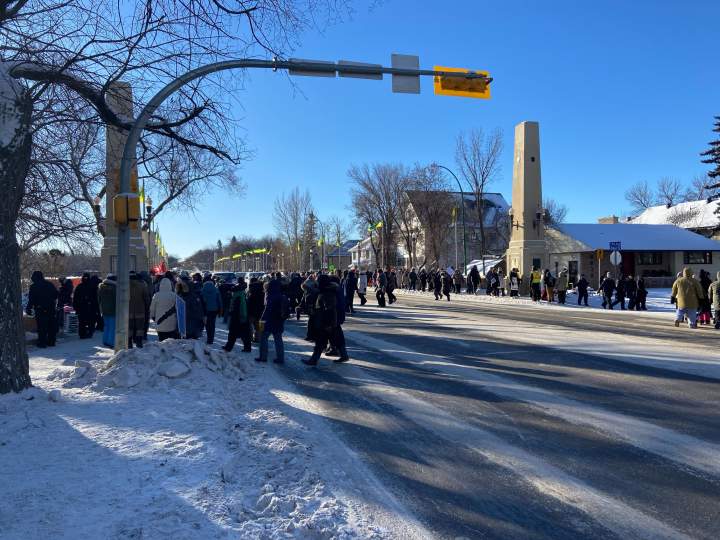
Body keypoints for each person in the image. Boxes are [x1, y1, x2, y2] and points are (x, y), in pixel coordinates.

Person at [302, 274, 348, 365]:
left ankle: (313, 360)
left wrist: (329, 324)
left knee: (320, 342)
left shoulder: (327, 293)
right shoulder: (326, 291)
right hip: (330, 322)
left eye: (318, 281)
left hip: (327, 322)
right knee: (337, 339)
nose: (317, 283)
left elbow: (330, 309)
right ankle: (344, 355)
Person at [256, 279, 287, 364]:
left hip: (269, 321)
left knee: (263, 338)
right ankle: (280, 358)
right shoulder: (282, 296)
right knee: (278, 340)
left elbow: (267, 310)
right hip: (279, 321)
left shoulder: (270, 296)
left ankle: (263, 357)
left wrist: (261, 320)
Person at [26, 270, 59, 348]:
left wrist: (29, 308)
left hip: (40, 308)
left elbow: (31, 299)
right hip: (51, 308)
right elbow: (56, 294)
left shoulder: (33, 287)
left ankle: (42, 342)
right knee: (51, 325)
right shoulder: (49, 284)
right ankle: (51, 341)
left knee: (41, 326)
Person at [223, 280, 252, 352]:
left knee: (233, 333)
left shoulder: (237, 296)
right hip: (242, 317)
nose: (231, 292)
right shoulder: (242, 294)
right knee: (245, 333)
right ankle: (247, 348)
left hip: (238, 317)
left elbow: (239, 308)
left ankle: (228, 347)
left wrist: (233, 314)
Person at [149, 277, 179, 341]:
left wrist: (154, 318)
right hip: (172, 323)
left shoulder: (156, 295)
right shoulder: (174, 295)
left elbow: (152, 309)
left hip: (160, 322)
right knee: (171, 341)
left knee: (161, 340)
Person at [127, 271, 150, 348]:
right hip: (140, 310)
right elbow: (146, 298)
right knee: (139, 327)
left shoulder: (125, 286)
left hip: (128, 311)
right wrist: (147, 307)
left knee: (129, 327)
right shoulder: (142, 285)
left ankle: (129, 342)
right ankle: (139, 342)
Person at [200, 275, 222, 344]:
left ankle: (208, 337)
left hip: (206, 310)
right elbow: (219, 301)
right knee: (212, 324)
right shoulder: (216, 290)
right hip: (214, 310)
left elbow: (201, 301)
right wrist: (220, 310)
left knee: (207, 324)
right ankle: (211, 339)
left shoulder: (202, 290)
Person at [97, 274, 117, 347]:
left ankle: (105, 340)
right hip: (113, 310)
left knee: (106, 326)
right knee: (112, 327)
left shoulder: (101, 287)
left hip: (104, 310)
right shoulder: (114, 288)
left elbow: (98, 299)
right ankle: (111, 342)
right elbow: (116, 300)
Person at [246, 277, 265, 342]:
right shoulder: (263, 291)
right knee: (260, 325)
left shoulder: (251, 291)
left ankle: (250, 337)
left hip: (252, 311)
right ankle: (259, 338)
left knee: (249, 325)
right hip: (261, 311)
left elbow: (249, 302)